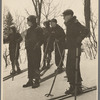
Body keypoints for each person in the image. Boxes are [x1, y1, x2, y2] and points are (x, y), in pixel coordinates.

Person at [63, 9, 89, 94]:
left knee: (75, 67)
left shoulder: (75, 23)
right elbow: (70, 36)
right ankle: (72, 85)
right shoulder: (69, 24)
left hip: (76, 48)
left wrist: (79, 38)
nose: (64, 18)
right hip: (71, 48)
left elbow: (86, 30)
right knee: (69, 67)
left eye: (65, 16)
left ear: (70, 15)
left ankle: (78, 87)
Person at [23, 15, 43, 88]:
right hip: (30, 50)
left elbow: (42, 39)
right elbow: (27, 39)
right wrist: (27, 46)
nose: (27, 22)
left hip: (36, 50)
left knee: (36, 64)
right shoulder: (29, 30)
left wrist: (38, 44)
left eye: (28, 21)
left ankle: (37, 80)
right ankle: (30, 80)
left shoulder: (38, 29)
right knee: (30, 65)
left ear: (32, 21)